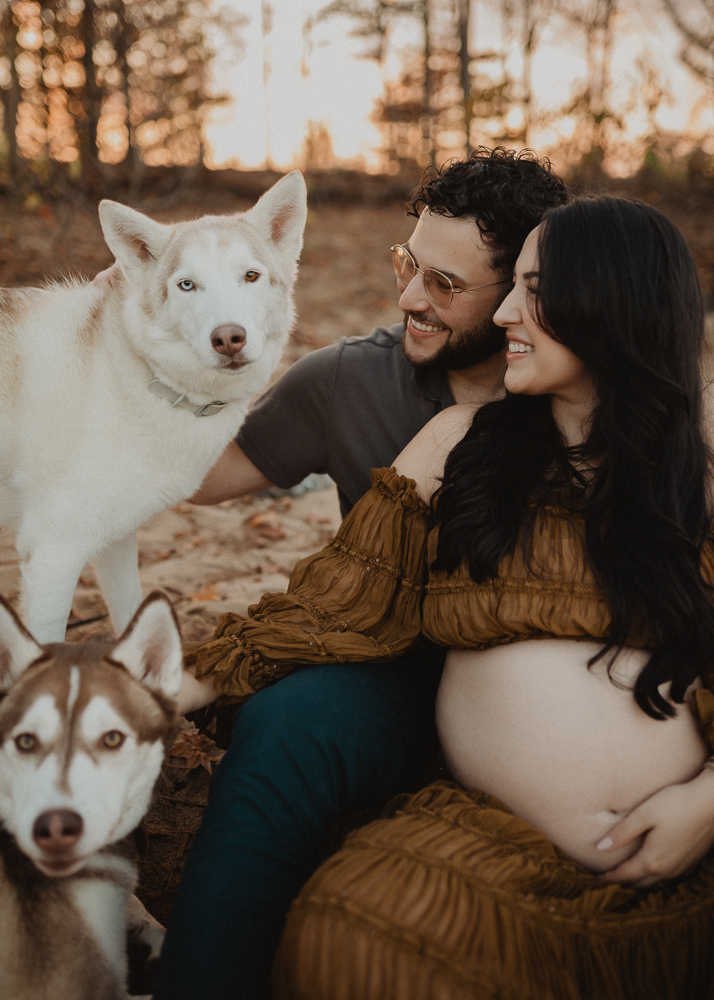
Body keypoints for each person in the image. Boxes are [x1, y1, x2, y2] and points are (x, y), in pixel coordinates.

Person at [179, 196, 714, 999]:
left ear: (612, 302)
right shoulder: (459, 442)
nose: (504, 315)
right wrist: (175, 684)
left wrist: (707, 807)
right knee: (351, 938)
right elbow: (337, 602)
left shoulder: (698, 471)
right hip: (494, 849)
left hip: (688, 852)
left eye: (530, 290)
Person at [151, 148, 568, 1000]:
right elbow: (192, 477)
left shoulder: (582, 398)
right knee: (287, 724)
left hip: (538, 701)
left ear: (527, 290)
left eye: (446, 286)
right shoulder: (350, 380)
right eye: (410, 264)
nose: (411, 296)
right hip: (384, 663)